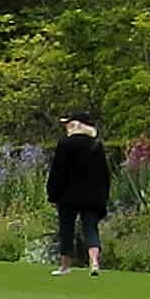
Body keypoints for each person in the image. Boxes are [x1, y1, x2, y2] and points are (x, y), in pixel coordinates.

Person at [45, 114, 111, 276]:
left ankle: (65, 266)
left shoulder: (65, 144)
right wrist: (103, 195)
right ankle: (94, 262)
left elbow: (58, 172)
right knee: (90, 228)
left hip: (68, 195)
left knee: (66, 229)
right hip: (92, 195)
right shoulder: (96, 145)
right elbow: (104, 174)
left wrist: (52, 193)